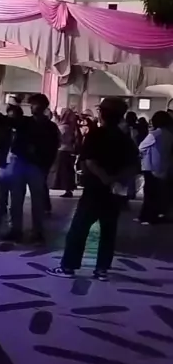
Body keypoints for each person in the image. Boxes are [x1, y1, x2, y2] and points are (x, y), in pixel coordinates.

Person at [49, 97, 138, 281]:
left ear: (102, 113)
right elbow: (133, 166)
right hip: (114, 192)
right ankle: (102, 269)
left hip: (94, 190)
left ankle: (69, 266)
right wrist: (115, 180)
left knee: (79, 228)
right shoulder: (125, 139)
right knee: (108, 231)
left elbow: (89, 161)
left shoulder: (96, 134)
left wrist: (105, 178)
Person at [8, 93, 60, 243]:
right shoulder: (25, 122)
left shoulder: (50, 127)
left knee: (37, 202)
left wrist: (45, 165)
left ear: (43, 106)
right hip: (22, 164)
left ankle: (37, 231)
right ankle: (16, 229)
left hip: (36, 166)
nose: (32, 107)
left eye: (34, 104)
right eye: (31, 104)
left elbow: (53, 148)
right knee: (16, 200)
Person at [0, 104, 24, 235]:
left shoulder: (23, 131)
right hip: (3, 166)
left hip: (18, 167)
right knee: (0, 197)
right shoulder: (5, 130)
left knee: (16, 200)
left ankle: (15, 228)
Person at [137, 111, 173, 224]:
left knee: (149, 193)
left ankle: (147, 217)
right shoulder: (169, 134)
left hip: (150, 166)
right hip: (164, 165)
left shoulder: (155, 133)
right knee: (157, 193)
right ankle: (149, 216)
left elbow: (141, 147)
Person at [51, 108, 79, 198]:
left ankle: (66, 188)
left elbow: (59, 138)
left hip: (62, 150)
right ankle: (68, 189)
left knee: (64, 171)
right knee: (68, 171)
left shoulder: (63, 127)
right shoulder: (72, 127)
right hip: (69, 150)